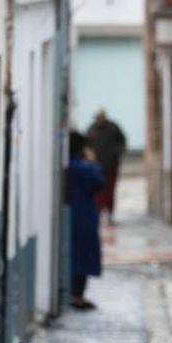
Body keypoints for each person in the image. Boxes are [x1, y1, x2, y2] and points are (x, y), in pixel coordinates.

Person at [66, 131, 105, 310]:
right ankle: (77, 295)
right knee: (82, 257)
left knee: (74, 255)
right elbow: (99, 181)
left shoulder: (67, 167)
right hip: (84, 215)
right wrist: (91, 160)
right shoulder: (85, 168)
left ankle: (72, 294)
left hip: (72, 214)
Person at [85, 110, 128, 221]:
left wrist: (116, 152)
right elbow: (86, 145)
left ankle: (110, 214)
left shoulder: (113, 127)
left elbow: (122, 142)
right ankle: (98, 213)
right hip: (96, 167)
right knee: (98, 193)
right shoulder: (92, 129)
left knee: (110, 192)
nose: (98, 120)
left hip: (111, 166)